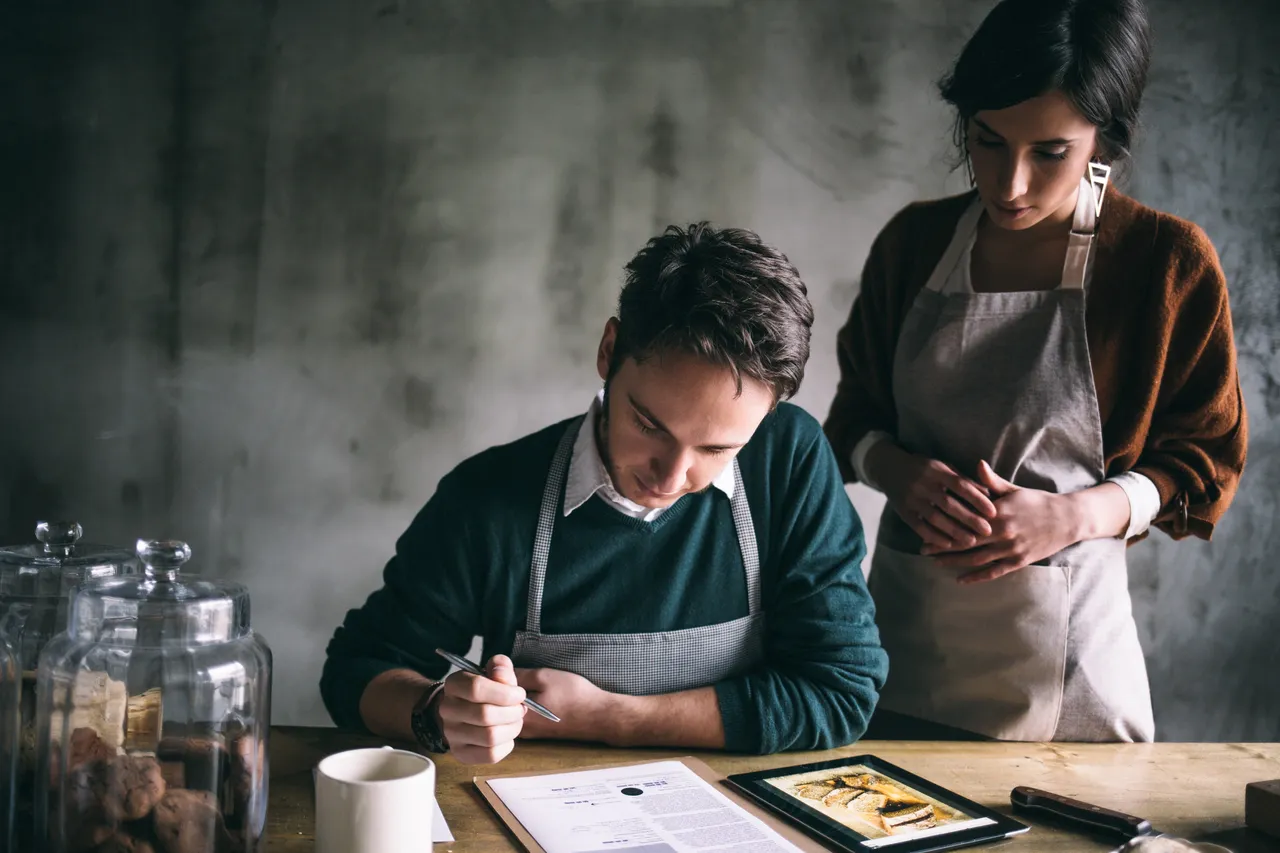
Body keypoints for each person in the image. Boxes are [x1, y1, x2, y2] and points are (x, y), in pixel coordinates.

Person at [823, 0, 1246, 743]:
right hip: (901, 643)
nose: (1009, 183)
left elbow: (1204, 455)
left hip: (1070, 663)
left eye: (1049, 152)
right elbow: (854, 417)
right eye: (987, 141)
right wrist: (897, 471)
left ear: (1103, 140)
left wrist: (1074, 516)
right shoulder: (913, 244)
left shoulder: (1163, 263)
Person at [322, 223, 888, 763]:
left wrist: (610, 716)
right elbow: (357, 670)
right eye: (650, 425)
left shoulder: (787, 458)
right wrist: (435, 712)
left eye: (716, 450)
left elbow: (842, 691)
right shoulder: (489, 497)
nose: (669, 479)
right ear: (609, 349)